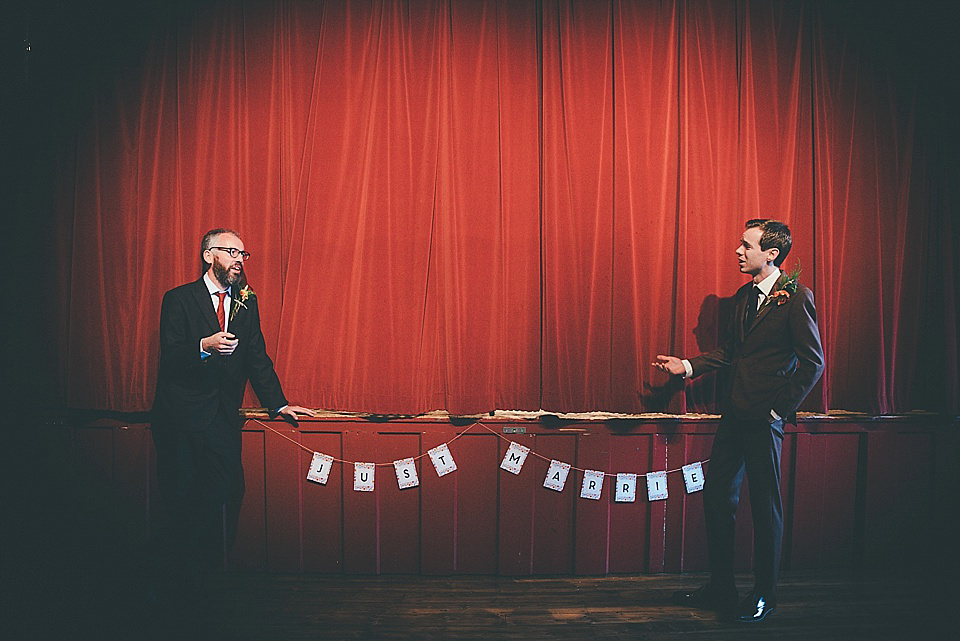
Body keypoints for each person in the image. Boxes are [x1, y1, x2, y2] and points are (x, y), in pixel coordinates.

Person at [653, 219, 824, 623]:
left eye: (746, 246)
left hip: (764, 421)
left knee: (765, 508)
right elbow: (734, 351)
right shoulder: (746, 296)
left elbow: (813, 363)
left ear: (771, 254)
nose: (738, 251)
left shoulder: (796, 298)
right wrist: (688, 365)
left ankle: (766, 595)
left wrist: (776, 410)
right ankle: (721, 588)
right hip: (734, 416)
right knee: (717, 498)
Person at [150, 228, 315, 607]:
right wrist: (203, 346)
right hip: (179, 417)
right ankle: (182, 586)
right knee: (182, 493)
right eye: (231, 251)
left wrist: (279, 404)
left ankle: (180, 566)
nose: (240, 259)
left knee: (227, 488)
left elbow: (256, 353)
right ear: (209, 256)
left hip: (222, 416)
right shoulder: (178, 299)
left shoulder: (245, 301)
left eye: (244, 253)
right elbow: (171, 356)